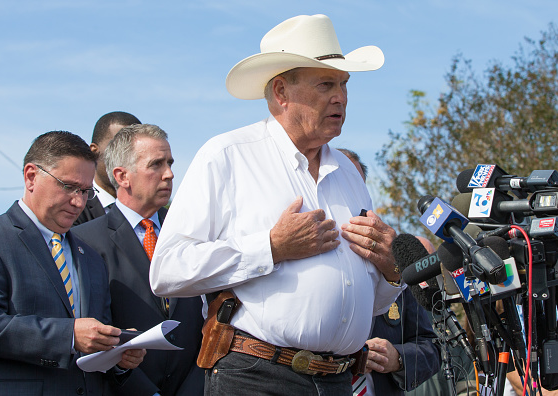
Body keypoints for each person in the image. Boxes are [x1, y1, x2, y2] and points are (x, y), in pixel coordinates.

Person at [149, 14, 402, 395]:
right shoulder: (227, 156)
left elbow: (374, 306)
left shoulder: (349, 174)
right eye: (326, 84)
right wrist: (271, 247)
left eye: (344, 84)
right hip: (256, 377)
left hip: (337, 381)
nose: (341, 96)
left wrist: (390, 271)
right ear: (281, 92)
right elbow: (167, 271)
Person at [0, 131, 145, 395]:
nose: (78, 202)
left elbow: (90, 345)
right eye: (68, 186)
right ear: (31, 177)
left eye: (85, 191)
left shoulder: (91, 257)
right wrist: (69, 335)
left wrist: (116, 353)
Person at [73, 124, 204, 396]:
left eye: (169, 163)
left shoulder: (193, 234)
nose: (169, 174)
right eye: (156, 164)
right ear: (122, 176)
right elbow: (91, 335)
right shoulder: (84, 241)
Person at [338, 149, 441, 396]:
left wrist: (397, 358)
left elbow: (431, 347)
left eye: (354, 186)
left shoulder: (392, 263)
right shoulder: (303, 261)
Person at [74, 111, 142, 225]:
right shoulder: (74, 209)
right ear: (94, 152)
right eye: (120, 149)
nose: (130, 159)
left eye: (136, 152)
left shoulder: (157, 216)